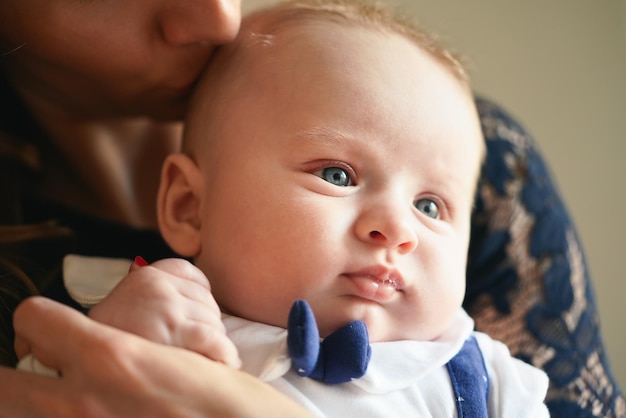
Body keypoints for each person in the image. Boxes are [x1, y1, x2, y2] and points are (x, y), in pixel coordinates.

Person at [0, 0, 622, 417]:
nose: (398, 229)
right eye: (336, 174)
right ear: (189, 205)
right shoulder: (154, 322)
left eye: (432, 206)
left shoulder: (486, 377)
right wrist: (111, 337)